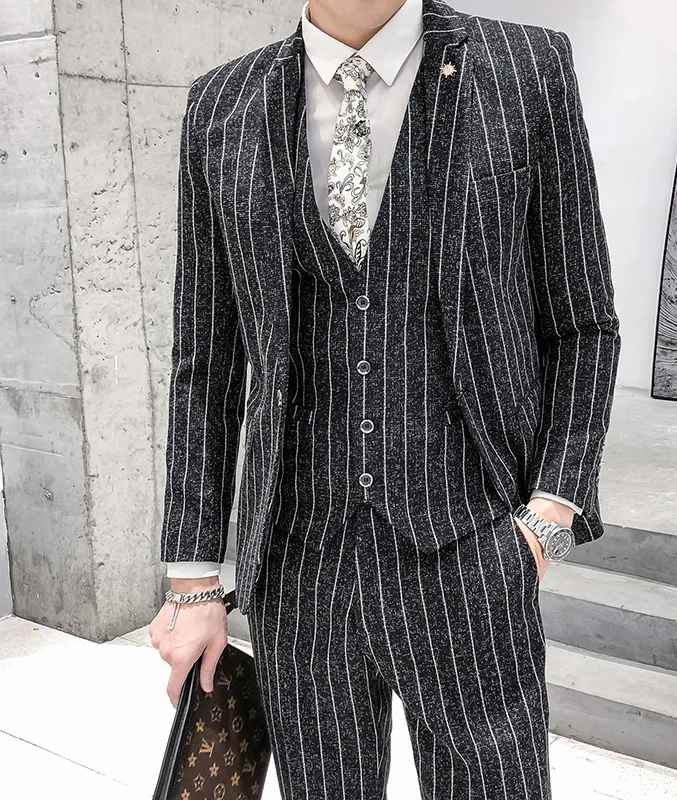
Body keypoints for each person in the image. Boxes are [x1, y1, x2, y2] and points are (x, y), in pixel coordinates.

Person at [149, 0, 621, 796]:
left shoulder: (527, 68)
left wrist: (549, 518)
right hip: (298, 565)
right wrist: (192, 579)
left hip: (470, 550)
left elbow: (582, 323)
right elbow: (206, 360)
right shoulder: (221, 104)